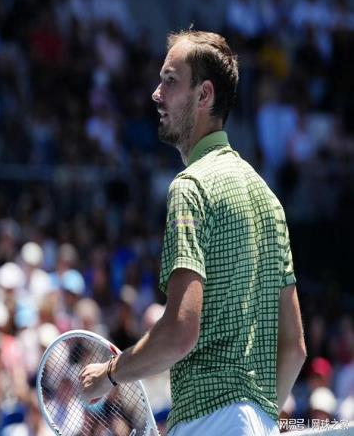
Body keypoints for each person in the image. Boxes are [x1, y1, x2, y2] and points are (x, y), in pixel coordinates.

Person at [80, 30, 307, 436]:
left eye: (170, 81)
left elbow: (180, 333)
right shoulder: (268, 199)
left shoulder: (191, 187)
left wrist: (109, 374)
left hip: (208, 420)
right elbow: (294, 351)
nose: (156, 94)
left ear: (204, 95)